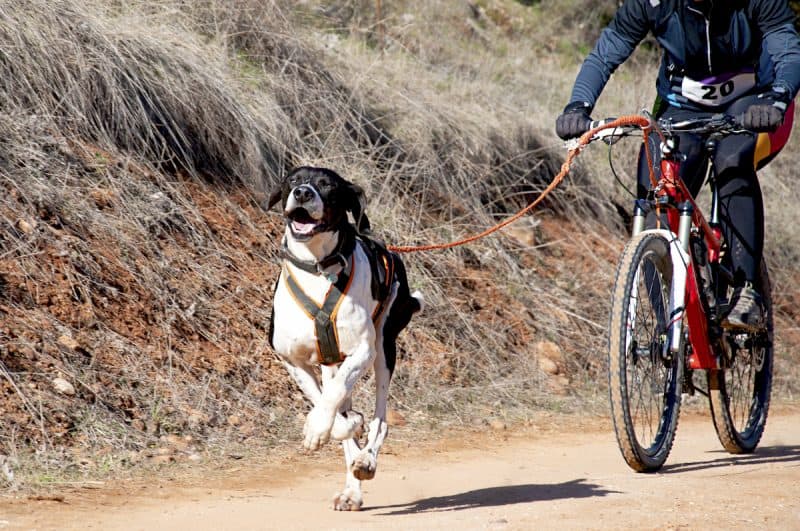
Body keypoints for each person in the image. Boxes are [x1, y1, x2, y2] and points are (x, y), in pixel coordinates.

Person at [555, 0, 800, 331]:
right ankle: (669, 328)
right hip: (681, 109)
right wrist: (577, 106)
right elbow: (608, 50)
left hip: (758, 104)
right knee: (655, 198)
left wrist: (778, 98)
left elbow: (787, 47)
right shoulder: (652, 2)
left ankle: (747, 292)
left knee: (731, 162)